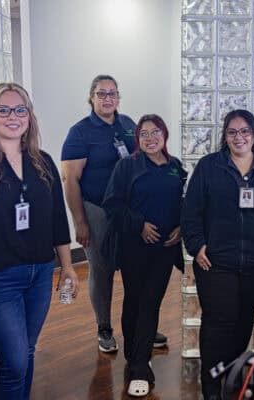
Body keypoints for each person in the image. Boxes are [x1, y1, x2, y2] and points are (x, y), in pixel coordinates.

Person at [0, 82, 79, 400]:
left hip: (39, 273)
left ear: (29, 117)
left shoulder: (43, 161)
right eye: (4, 110)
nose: (13, 116)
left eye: (20, 110)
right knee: (13, 362)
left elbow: (56, 220)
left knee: (26, 354)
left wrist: (67, 267)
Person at [181, 109, 254, 400]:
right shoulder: (209, 167)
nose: (238, 137)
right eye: (232, 132)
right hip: (215, 263)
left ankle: (232, 377)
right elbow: (191, 211)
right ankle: (212, 388)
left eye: (244, 131)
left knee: (243, 322)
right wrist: (197, 245)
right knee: (218, 323)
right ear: (225, 137)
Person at [61, 75, 167, 352]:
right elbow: (70, 180)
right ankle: (104, 328)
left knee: (138, 268)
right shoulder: (80, 133)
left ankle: (143, 326)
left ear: (118, 97)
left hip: (130, 211)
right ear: (91, 97)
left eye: (112, 93)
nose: (107, 99)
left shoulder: (129, 125)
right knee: (103, 269)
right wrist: (80, 222)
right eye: (101, 93)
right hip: (97, 211)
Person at [102, 114, 187, 397]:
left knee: (151, 302)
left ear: (165, 135)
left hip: (164, 249)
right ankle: (136, 358)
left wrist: (180, 228)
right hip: (134, 247)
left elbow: (182, 202)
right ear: (137, 138)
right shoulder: (127, 166)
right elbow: (112, 204)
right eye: (143, 133)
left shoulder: (175, 167)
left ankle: (139, 363)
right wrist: (139, 225)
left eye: (155, 132)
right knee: (135, 300)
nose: (150, 138)